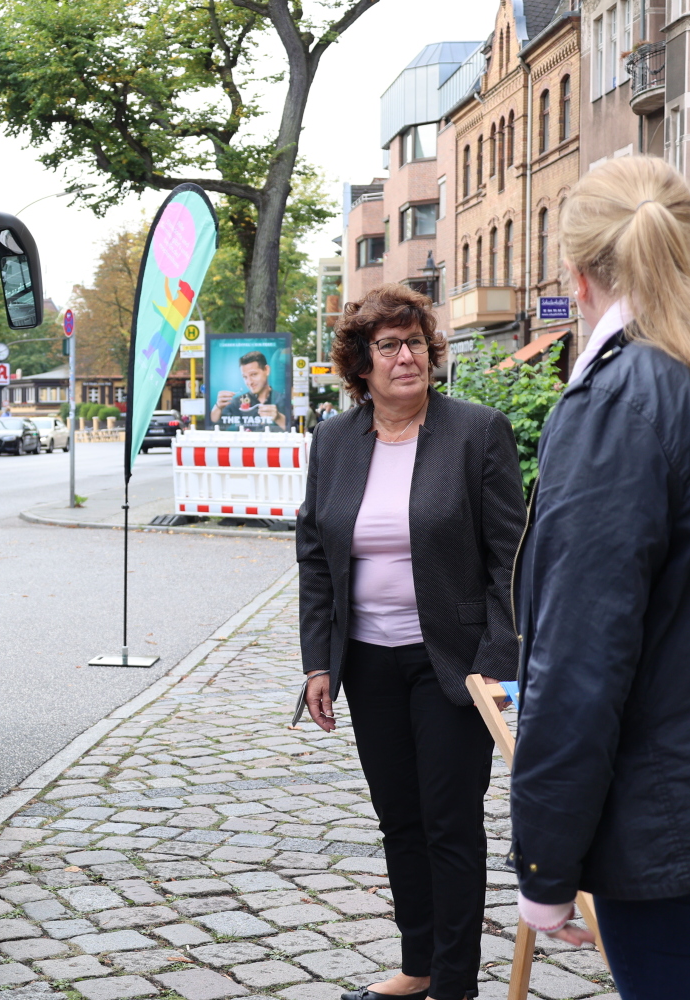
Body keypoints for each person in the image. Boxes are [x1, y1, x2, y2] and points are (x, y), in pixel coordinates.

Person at [510, 156, 690, 1000]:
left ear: (578, 275)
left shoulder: (619, 400)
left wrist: (544, 865)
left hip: (680, 826)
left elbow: (577, 660)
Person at [295, 283, 526, 1000]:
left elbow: (511, 561)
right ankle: (418, 964)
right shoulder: (335, 440)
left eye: (416, 343)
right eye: (389, 346)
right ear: (360, 364)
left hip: (451, 665)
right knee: (400, 818)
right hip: (367, 660)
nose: (407, 357)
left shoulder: (475, 431)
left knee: (450, 823)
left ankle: (455, 983)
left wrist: (496, 664)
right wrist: (317, 662)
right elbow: (314, 555)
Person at [211, 350, 291, 430]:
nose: (249, 382)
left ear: (266, 370)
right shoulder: (237, 403)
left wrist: (278, 418)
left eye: (253, 374)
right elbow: (214, 428)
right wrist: (218, 407)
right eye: (245, 377)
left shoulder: (283, 400)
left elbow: (296, 431)